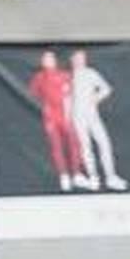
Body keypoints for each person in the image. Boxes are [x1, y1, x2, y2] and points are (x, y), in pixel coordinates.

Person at [68, 49, 127, 191]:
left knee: (104, 144)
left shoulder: (91, 73)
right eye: (77, 58)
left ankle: (111, 177)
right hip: (78, 117)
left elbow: (106, 88)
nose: (80, 61)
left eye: (82, 58)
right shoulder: (69, 77)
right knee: (85, 147)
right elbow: (66, 97)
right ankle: (93, 177)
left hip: (93, 116)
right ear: (72, 61)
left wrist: (96, 98)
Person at [27, 49, 86, 191]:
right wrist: (47, 108)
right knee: (56, 147)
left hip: (66, 116)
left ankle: (77, 174)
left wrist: (69, 113)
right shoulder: (38, 78)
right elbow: (34, 93)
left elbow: (71, 95)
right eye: (44, 59)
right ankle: (64, 176)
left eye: (49, 59)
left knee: (73, 144)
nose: (47, 61)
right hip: (51, 118)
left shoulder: (65, 75)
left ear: (55, 61)